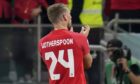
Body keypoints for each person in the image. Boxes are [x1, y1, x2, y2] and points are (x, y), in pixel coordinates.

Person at [38, 3, 93, 84]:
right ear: (65, 17)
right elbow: (88, 64)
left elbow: (58, 66)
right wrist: (83, 39)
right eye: (69, 14)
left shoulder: (42, 42)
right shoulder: (79, 38)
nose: (71, 17)